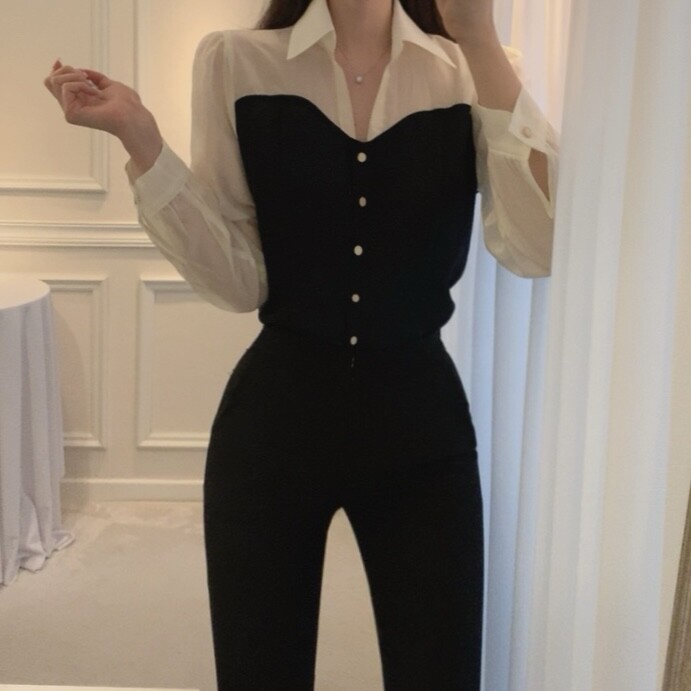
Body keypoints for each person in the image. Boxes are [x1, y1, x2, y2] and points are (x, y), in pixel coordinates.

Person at [44, 0, 558, 688]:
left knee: (440, 670)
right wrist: (141, 138)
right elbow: (239, 281)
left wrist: (479, 37)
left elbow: (535, 245)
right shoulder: (235, 61)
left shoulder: (471, 68)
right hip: (272, 431)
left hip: (421, 433)